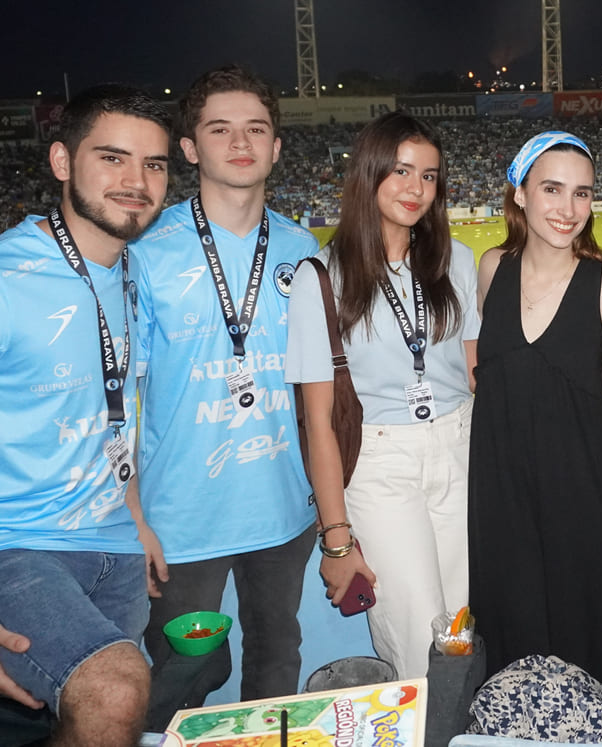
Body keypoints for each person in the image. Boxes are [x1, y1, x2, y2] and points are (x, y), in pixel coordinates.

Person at [133, 65, 318, 700]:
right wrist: (132, 513)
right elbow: (118, 401)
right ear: (190, 148)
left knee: (275, 667)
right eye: (220, 129)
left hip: (284, 512)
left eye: (255, 129)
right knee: (183, 680)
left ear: (275, 146)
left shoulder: (302, 247)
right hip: (182, 520)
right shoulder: (146, 251)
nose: (240, 143)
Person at [0, 84, 171, 745]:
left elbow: (114, 408)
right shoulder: (11, 279)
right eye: (113, 158)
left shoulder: (133, 274)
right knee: (116, 688)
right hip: (19, 544)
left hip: (113, 547)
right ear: (62, 162)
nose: (137, 181)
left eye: (154, 164)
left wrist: (133, 514)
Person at [287, 112, 478, 678]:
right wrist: (337, 540)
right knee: (419, 638)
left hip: (459, 445)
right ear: (368, 174)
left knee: (463, 627)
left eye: (429, 175)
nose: (416, 188)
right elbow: (318, 423)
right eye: (400, 171)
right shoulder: (320, 277)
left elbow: (474, 374)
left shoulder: (456, 260)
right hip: (381, 460)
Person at [469, 131, 602, 683]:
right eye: (551, 189)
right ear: (519, 193)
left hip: (583, 498)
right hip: (501, 495)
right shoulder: (491, 268)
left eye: (582, 193)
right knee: (506, 646)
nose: (568, 209)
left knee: (580, 649)